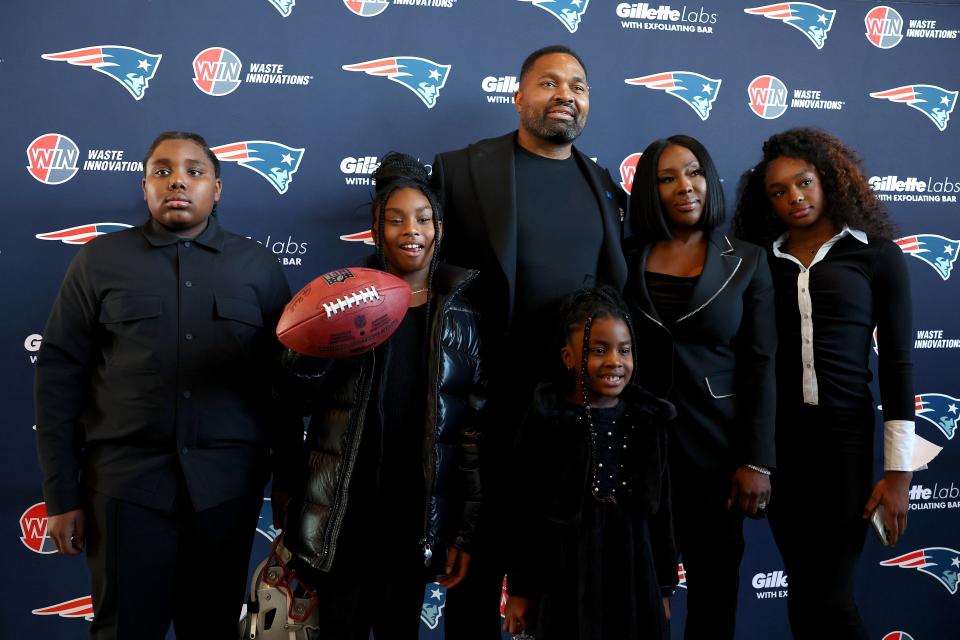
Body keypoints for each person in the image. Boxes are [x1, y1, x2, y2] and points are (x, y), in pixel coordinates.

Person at [34, 131, 300, 638]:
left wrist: (288, 481)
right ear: (145, 187)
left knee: (211, 629)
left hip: (226, 492)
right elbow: (57, 378)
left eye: (194, 171)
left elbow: (281, 386)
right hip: (124, 491)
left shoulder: (258, 268)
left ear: (217, 189)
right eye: (162, 171)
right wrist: (61, 494)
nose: (178, 180)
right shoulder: (98, 261)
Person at [431, 44, 627, 637]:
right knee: (473, 577)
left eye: (578, 85)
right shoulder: (461, 169)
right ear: (518, 95)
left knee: (564, 579)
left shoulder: (603, 184)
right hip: (482, 412)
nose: (565, 94)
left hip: (569, 416)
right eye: (549, 82)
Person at [278, 152, 484, 638]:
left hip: (412, 518)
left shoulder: (460, 315)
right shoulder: (344, 300)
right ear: (377, 229)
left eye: (422, 218)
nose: (410, 230)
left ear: (439, 226)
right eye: (395, 219)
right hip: (345, 512)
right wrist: (304, 345)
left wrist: (464, 530)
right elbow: (294, 394)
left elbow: (473, 433)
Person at [732, 127, 915, 639]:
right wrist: (754, 455)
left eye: (804, 182)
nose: (795, 197)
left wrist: (898, 473)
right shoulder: (760, 259)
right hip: (780, 444)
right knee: (805, 593)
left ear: (828, 180)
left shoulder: (877, 255)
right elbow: (751, 363)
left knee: (831, 597)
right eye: (779, 191)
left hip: (846, 444)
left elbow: (898, 364)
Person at [624, 135, 776, 639]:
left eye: (692, 172)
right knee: (638, 603)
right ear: (649, 190)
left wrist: (756, 460)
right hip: (637, 454)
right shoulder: (623, 257)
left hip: (718, 455)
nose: (684, 186)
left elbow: (760, 364)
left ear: (709, 178)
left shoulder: (748, 260)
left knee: (713, 606)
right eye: (667, 178)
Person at [502, 286, 677, 640]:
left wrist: (662, 587)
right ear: (569, 357)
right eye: (599, 350)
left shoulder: (648, 420)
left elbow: (662, 511)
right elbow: (522, 511)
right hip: (565, 571)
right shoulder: (546, 419)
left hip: (633, 568)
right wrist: (520, 589)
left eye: (624, 351)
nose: (614, 361)